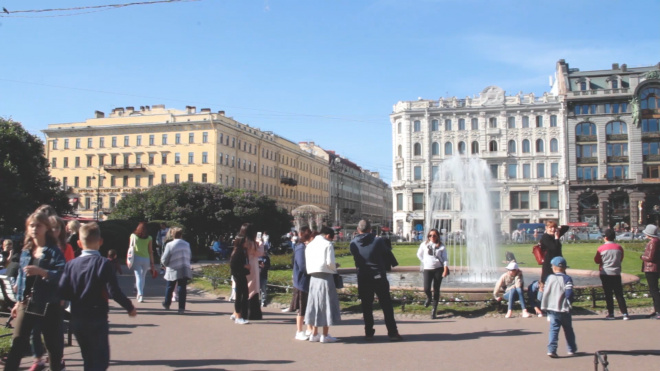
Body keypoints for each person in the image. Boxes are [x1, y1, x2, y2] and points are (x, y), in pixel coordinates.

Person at [58, 222, 136, 370]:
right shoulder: (104, 264)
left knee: (87, 357)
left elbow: (63, 292)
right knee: (100, 360)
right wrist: (129, 306)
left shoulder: (71, 265)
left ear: (79, 243)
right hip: (97, 316)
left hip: (77, 317)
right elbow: (114, 291)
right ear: (100, 242)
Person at [4, 212, 66, 371]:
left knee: (53, 348)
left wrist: (42, 272)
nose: (34, 229)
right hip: (27, 303)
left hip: (48, 304)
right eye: (31, 225)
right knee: (17, 343)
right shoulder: (26, 251)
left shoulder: (54, 251)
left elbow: (62, 274)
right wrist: (18, 302)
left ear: (46, 228)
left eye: (38, 225)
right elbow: (21, 278)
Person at [350, 220, 403, 341]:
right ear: (370, 229)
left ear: (358, 230)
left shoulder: (353, 243)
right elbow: (386, 253)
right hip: (378, 275)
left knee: (366, 306)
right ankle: (392, 332)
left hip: (363, 276)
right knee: (386, 305)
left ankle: (369, 332)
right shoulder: (378, 241)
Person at [305, 226, 341, 343]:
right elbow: (330, 262)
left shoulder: (309, 245)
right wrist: (335, 267)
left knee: (315, 304)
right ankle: (325, 335)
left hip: (313, 277)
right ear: (327, 236)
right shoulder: (327, 244)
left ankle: (314, 333)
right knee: (326, 304)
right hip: (325, 276)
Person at [541, 256, 577, 358]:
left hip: (552, 308)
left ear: (553, 267)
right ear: (565, 268)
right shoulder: (567, 278)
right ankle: (571, 349)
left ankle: (551, 350)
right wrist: (569, 301)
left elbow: (546, 291)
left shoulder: (549, 278)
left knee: (554, 329)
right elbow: (569, 293)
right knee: (568, 329)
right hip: (564, 308)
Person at [594, 228, 629, 320]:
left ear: (605, 237)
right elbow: (621, 259)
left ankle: (611, 313)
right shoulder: (619, 247)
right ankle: (625, 313)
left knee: (608, 294)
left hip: (605, 272)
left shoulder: (601, 248)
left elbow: (597, 261)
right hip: (616, 272)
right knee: (619, 294)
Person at [416, 228, 448, 319]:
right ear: (428, 236)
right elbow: (419, 254)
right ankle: (429, 298)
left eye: (434, 235)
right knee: (426, 288)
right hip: (427, 269)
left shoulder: (441, 246)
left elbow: (445, 258)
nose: (432, 237)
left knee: (436, 289)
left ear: (437, 236)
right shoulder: (424, 244)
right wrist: (424, 262)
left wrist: (445, 269)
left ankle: (434, 309)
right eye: (430, 235)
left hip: (438, 269)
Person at [161, 227, 192, 314]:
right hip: (184, 267)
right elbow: (189, 255)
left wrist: (166, 265)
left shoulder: (170, 245)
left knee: (170, 286)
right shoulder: (186, 244)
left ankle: (167, 303)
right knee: (182, 288)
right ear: (181, 234)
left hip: (173, 267)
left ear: (172, 235)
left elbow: (164, 258)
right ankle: (181, 307)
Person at [292, 226, 313, 340]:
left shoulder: (304, 247)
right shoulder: (300, 248)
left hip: (305, 280)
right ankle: (299, 331)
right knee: (302, 308)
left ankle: (309, 329)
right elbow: (302, 266)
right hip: (301, 282)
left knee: (307, 307)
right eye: (308, 234)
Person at [230, 223, 253, 325]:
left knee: (244, 294)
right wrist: (245, 266)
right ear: (241, 242)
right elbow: (233, 264)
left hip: (241, 275)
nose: (247, 243)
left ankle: (236, 314)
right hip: (239, 275)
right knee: (240, 296)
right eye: (245, 241)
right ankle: (238, 316)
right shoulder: (238, 252)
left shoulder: (241, 251)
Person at [129, 222, 155, 303]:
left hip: (136, 258)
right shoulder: (149, 238)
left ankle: (140, 294)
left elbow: (130, 247)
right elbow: (150, 251)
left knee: (138, 276)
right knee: (143, 276)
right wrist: (152, 263)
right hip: (146, 259)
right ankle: (140, 294)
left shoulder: (133, 236)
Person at [640, 224, 660, 320]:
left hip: (651, 268)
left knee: (654, 290)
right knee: (654, 290)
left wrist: (642, 257)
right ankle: (656, 310)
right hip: (654, 268)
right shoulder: (656, 241)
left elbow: (650, 257)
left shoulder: (653, 242)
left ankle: (658, 311)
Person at [246, 229, 264, 320]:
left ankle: (242, 312)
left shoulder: (242, 241)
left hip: (245, 265)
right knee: (253, 288)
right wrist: (260, 243)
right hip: (252, 265)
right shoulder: (251, 243)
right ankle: (252, 313)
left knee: (246, 288)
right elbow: (259, 252)